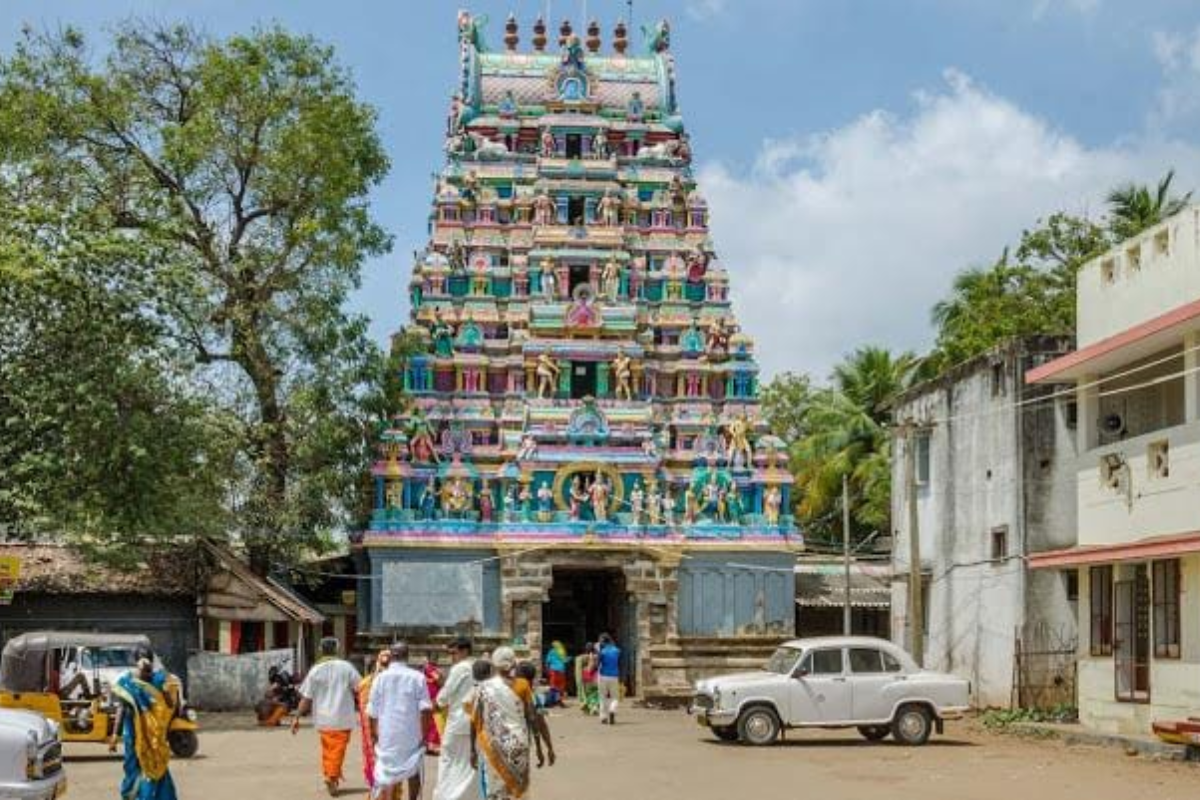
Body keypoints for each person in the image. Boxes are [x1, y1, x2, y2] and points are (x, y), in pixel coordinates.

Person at [470, 647, 552, 800]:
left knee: (495, 791)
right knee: (518, 790)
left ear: (494, 664)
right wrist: (540, 747)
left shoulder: (483, 687)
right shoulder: (522, 685)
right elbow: (533, 717)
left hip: (493, 745)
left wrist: (472, 751)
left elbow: (474, 719)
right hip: (519, 745)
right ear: (513, 662)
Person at [292, 637, 363, 797]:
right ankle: (331, 776)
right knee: (337, 751)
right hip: (342, 718)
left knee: (328, 750)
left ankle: (331, 776)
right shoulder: (347, 667)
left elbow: (306, 697)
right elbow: (361, 688)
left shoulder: (315, 670)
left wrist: (296, 717)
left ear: (321, 650)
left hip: (323, 719)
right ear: (337, 649)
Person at [108, 646, 179, 800]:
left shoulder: (159, 680)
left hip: (154, 737)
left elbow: (170, 706)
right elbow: (121, 708)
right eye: (142, 665)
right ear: (135, 663)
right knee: (134, 769)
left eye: (148, 668)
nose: (146, 671)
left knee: (155, 767)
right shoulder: (128, 682)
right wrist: (115, 734)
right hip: (133, 736)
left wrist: (166, 692)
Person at [368, 642, 433, 800]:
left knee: (387, 773)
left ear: (391, 656)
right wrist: (424, 735)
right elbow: (425, 710)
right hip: (411, 734)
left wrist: (374, 734)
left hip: (387, 734)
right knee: (414, 770)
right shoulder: (418, 677)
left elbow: (372, 712)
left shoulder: (380, 678)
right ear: (407, 655)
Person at [434, 638, 477, 800]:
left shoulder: (460, 668)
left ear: (464, 651)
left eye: (453, 653)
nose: (451, 656)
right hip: (473, 722)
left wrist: (436, 703)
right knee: (468, 764)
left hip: (458, 722)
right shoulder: (477, 667)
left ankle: (447, 796)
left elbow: (446, 694)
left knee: (448, 761)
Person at [359, 650, 392, 791]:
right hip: (387, 728)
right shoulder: (398, 680)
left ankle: (378, 788)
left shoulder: (366, 682)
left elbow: (364, 709)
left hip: (377, 728)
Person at [597, 633, 621, 725]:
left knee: (602, 697)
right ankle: (612, 710)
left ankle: (603, 717)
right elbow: (619, 663)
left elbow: (598, 664)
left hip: (603, 676)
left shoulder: (602, 652)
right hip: (614, 676)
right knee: (615, 697)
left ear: (603, 642)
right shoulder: (617, 651)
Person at [423, 657, 444, 755]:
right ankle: (431, 746)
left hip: (432, 698)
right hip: (432, 699)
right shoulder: (429, 668)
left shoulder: (431, 669)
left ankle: (429, 745)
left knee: (432, 722)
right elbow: (438, 679)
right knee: (434, 723)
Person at [575, 643, 600, 716]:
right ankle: (594, 707)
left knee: (588, 694)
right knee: (595, 694)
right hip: (594, 678)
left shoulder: (580, 658)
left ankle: (587, 706)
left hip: (586, 678)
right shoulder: (597, 657)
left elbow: (578, 672)